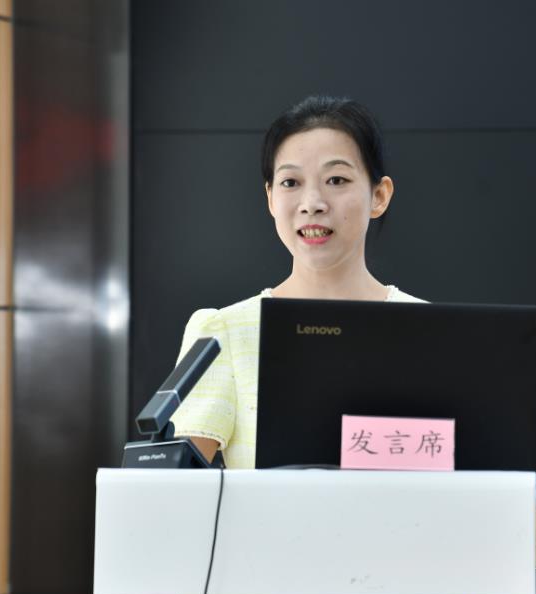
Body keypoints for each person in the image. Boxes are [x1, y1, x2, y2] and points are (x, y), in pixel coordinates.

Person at [170, 95, 425, 468]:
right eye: (290, 182)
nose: (312, 202)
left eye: (336, 180)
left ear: (379, 195)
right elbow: (173, 486)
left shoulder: (430, 332)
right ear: (271, 198)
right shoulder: (223, 333)